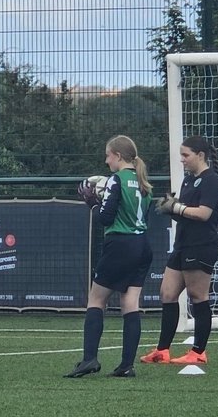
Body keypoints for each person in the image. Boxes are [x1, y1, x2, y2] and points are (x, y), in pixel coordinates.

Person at [65, 136, 154, 378]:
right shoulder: (143, 182)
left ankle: (89, 359)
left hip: (120, 244)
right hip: (143, 245)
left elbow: (106, 217)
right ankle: (127, 365)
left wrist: (93, 203)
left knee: (96, 300)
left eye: (108, 155)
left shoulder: (116, 180)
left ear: (117, 156)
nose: (106, 161)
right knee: (130, 303)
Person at [141, 136, 218, 366]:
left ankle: (198, 352)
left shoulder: (212, 181)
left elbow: (203, 214)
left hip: (201, 245)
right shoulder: (189, 180)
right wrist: (171, 207)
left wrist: (177, 207)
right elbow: (186, 211)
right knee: (167, 294)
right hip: (182, 244)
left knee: (198, 297)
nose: (182, 160)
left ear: (200, 155)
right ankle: (162, 350)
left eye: (186, 155)